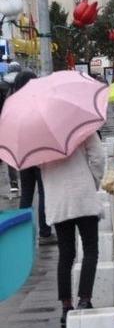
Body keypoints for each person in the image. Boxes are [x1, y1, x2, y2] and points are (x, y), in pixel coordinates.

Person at [41, 132, 104, 328]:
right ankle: (85, 299)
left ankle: (66, 307)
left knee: (66, 254)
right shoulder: (81, 126)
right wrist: (93, 181)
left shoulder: (39, 135)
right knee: (91, 249)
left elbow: (39, 166)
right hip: (82, 194)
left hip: (59, 199)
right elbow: (98, 156)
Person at [11, 71, 54, 244]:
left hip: (23, 154)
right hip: (39, 153)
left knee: (26, 194)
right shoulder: (38, 102)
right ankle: (45, 232)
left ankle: (23, 234)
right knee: (44, 192)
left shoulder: (13, 104)